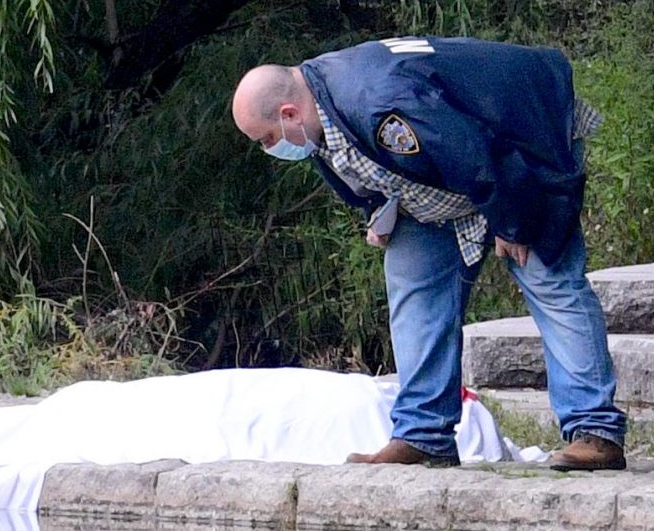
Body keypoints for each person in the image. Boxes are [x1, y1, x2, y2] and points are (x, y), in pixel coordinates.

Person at [229, 36, 628, 471]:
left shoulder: (378, 102)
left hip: (522, 143)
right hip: (452, 176)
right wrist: (379, 212)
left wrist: (513, 223)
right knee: (414, 286)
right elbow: (368, 163)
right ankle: (423, 436)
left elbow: (474, 155)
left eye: (267, 139)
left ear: (289, 114)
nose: (270, 149)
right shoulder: (316, 101)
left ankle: (595, 432)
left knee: (550, 279)